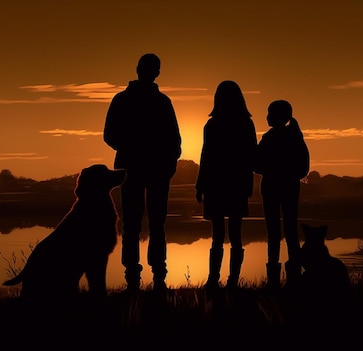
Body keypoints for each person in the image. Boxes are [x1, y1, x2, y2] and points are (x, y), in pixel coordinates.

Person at [103, 53, 182, 292]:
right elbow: (175, 141)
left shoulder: (130, 100)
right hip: (138, 169)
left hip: (143, 168)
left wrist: (168, 160)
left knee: (143, 225)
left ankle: (147, 276)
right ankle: (145, 277)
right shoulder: (156, 102)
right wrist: (165, 158)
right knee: (145, 224)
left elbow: (175, 141)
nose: (148, 72)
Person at [195, 80, 257, 290]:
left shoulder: (212, 125)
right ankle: (231, 280)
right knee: (235, 234)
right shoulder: (245, 124)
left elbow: (206, 157)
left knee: (218, 235)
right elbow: (251, 156)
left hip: (217, 183)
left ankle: (215, 279)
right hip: (235, 183)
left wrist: (200, 185)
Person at [254, 100, 310, 289]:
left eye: (269, 113)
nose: (267, 116)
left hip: (271, 187)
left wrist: (270, 169)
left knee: (274, 234)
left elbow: (256, 164)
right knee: (290, 232)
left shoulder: (269, 138)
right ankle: (294, 280)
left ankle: (273, 283)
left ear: (276, 116)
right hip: (289, 187)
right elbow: (303, 168)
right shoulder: (295, 137)